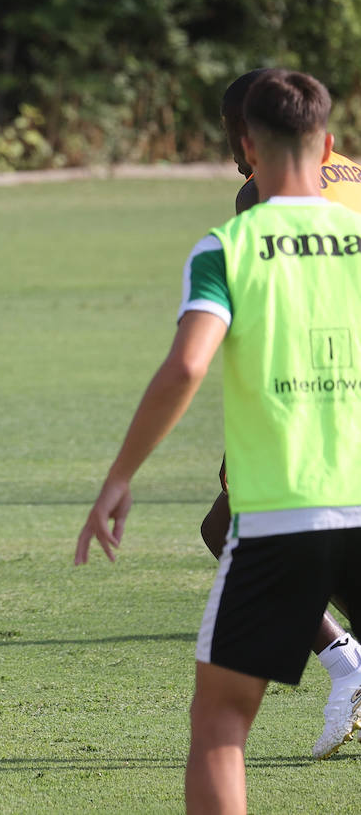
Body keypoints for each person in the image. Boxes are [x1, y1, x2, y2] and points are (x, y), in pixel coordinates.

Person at [76, 70, 361, 812]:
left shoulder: (229, 245)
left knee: (221, 727)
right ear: (328, 145)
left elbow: (188, 364)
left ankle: (341, 659)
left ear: (245, 147)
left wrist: (119, 475)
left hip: (282, 513)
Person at [197, 69, 361, 759]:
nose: (237, 161)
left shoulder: (255, 197)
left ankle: (345, 660)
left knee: (228, 526)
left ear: (250, 138)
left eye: (236, 144)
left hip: (308, 399)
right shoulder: (355, 168)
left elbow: (271, 296)